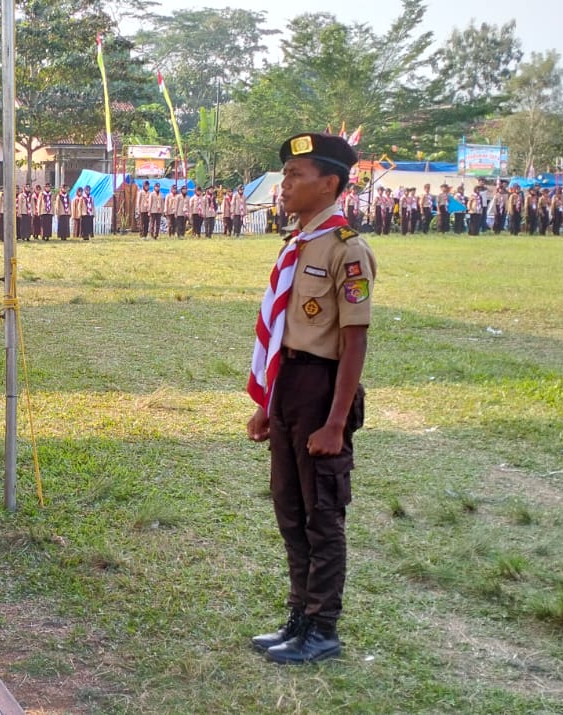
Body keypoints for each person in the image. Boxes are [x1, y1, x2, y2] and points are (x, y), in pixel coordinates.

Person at [247, 133, 372, 665]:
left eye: (296, 176)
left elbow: (354, 340)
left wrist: (336, 422)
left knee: (322, 514)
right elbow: (283, 332)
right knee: (290, 508)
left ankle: (323, 628)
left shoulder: (347, 249)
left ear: (330, 184)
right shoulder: (297, 243)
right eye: (286, 175)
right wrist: (266, 403)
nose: (286, 184)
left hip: (323, 389)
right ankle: (298, 616)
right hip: (289, 388)